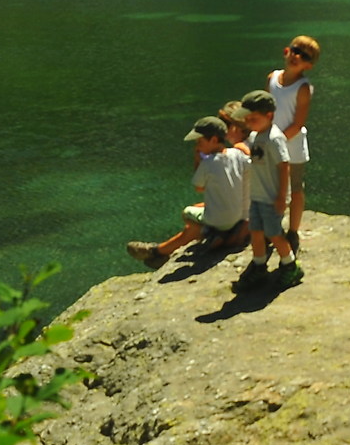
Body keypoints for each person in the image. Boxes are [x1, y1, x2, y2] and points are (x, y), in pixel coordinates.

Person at [128, 115, 248, 268]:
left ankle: (207, 236)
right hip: (238, 215)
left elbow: (199, 187)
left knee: (187, 213)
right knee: (200, 208)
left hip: (219, 220)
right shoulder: (237, 154)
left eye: (200, 142)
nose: (197, 146)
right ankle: (210, 235)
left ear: (213, 140)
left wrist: (197, 160)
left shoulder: (208, 163)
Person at [235, 90, 300, 289]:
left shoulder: (274, 138)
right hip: (257, 195)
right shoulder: (256, 136)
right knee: (255, 231)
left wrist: (282, 196)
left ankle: (290, 265)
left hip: (271, 197)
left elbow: (284, 166)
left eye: (253, 118)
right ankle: (259, 264)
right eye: (246, 118)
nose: (248, 122)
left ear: (269, 116)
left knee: (274, 233)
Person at [269, 36, 317, 243]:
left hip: (293, 144)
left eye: (304, 56)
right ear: (286, 51)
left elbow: (297, 123)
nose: (297, 56)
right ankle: (273, 226)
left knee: (295, 188)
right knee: (272, 186)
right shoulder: (272, 78)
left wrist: (276, 140)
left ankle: (293, 231)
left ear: (309, 65)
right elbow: (266, 111)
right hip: (271, 142)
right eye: (295, 50)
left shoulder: (302, 88)